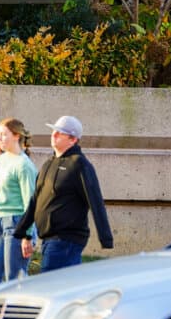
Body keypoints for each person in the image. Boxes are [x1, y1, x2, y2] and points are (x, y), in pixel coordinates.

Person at [15, 115, 114, 272]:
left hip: (66, 240)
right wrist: (22, 230)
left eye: (60, 133)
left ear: (73, 140)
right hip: (48, 239)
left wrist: (105, 238)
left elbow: (96, 201)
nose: (54, 135)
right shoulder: (49, 164)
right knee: (62, 284)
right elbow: (36, 200)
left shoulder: (79, 164)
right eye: (54, 131)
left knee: (50, 283)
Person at [0, 117, 38, 286]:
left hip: (18, 224)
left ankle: (25, 302)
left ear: (16, 136)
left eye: (3, 134)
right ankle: (10, 302)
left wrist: (27, 236)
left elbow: (31, 202)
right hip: (1, 224)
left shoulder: (24, 165)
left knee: (14, 281)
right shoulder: (1, 160)